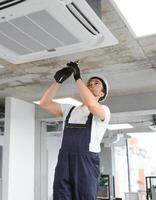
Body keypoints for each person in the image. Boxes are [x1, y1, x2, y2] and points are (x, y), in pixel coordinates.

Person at [39, 61, 110, 200]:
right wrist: (57, 82)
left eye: (96, 84)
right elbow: (44, 103)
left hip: (86, 163)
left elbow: (90, 103)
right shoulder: (70, 110)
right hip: (64, 159)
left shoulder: (104, 111)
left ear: (102, 93)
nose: (91, 85)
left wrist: (78, 77)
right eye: (89, 83)